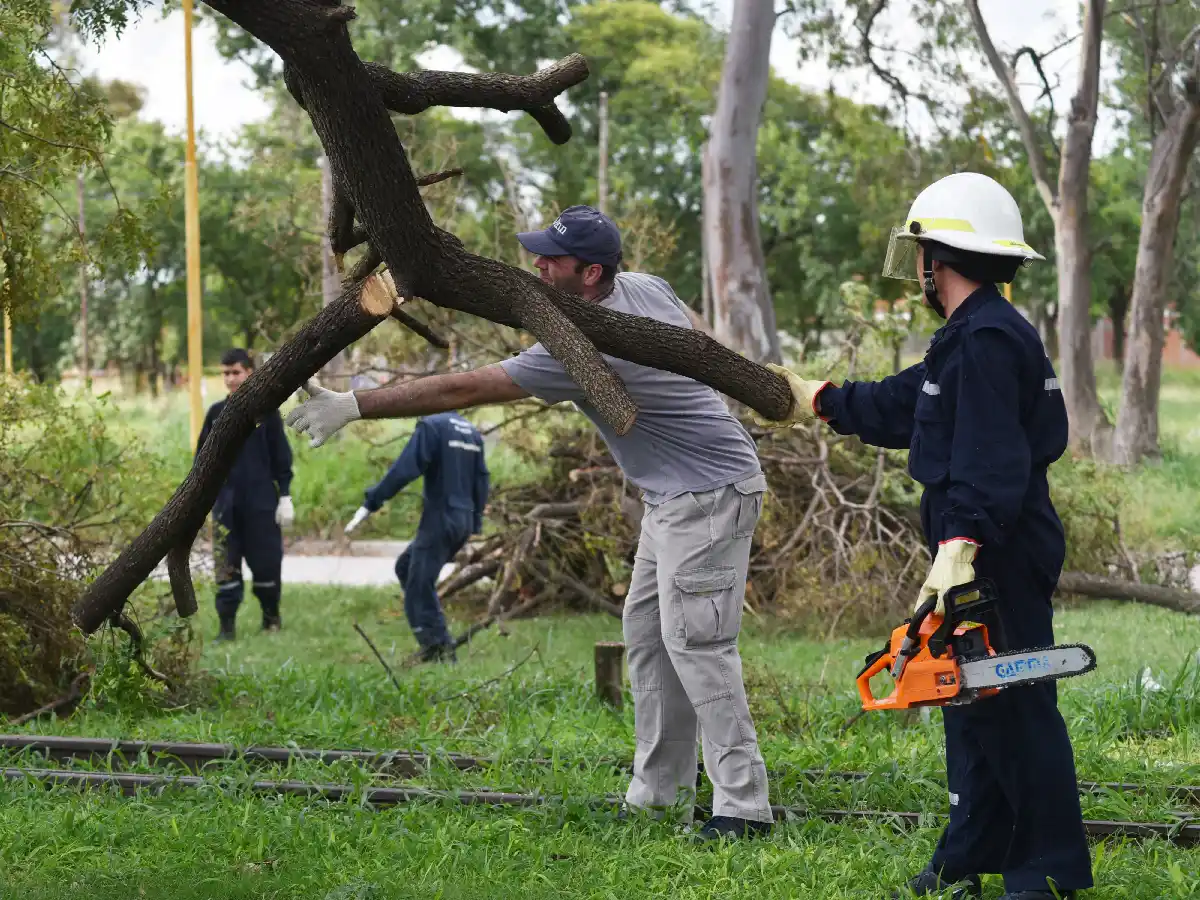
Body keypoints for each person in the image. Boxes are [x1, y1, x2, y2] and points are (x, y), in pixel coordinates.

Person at [285, 205, 774, 840]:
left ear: (591, 273)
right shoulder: (646, 288)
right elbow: (705, 341)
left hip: (710, 493)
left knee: (700, 648)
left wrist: (356, 404)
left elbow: (463, 391)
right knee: (651, 641)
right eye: (538, 252)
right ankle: (658, 796)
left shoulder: (576, 349)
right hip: (674, 498)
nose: (537, 265)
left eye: (553, 259)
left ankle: (744, 808)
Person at [759, 173, 1092, 899]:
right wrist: (820, 399)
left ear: (936, 259)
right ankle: (969, 856)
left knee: (1016, 707)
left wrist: (959, 547)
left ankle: (1048, 871)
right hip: (976, 551)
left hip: (992, 551)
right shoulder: (971, 337)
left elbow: (987, 453)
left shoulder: (988, 341)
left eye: (923, 257)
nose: (921, 272)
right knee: (969, 706)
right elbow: (908, 403)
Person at [343, 411, 490, 662]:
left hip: (441, 519)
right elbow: (481, 479)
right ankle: (437, 640)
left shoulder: (432, 426)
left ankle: (439, 650)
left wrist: (372, 501)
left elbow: (405, 469)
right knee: (406, 567)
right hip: (462, 519)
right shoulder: (470, 430)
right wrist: (474, 522)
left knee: (418, 587)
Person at [197, 348, 295, 641]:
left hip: (261, 505)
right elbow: (201, 462)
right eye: (225, 373)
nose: (230, 379)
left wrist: (285, 496)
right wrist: (200, 503)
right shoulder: (215, 414)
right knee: (226, 567)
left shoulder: (267, 414)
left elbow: (281, 458)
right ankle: (227, 627)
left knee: (266, 563)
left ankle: (271, 618)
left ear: (249, 372)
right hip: (226, 506)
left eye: (236, 372)